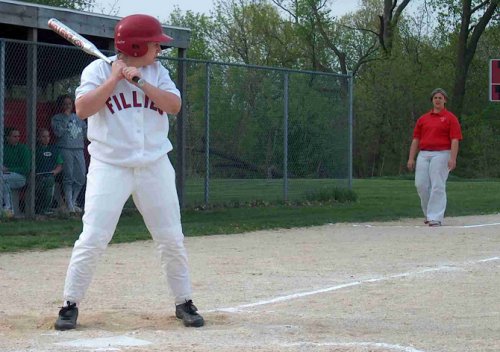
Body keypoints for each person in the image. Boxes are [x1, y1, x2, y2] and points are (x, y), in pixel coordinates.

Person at [54, 14, 204, 331]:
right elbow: (82, 109)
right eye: (154, 44)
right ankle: (70, 304)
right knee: (93, 237)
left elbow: (174, 106)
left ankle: (184, 301)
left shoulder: (156, 72)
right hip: (110, 166)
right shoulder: (97, 70)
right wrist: (113, 80)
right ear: (136, 45)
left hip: (154, 165)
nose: (159, 49)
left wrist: (141, 82)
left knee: (171, 238)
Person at [407, 88, 463, 227]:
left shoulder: (450, 118)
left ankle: (435, 217)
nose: (437, 100)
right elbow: (416, 139)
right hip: (424, 153)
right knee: (421, 184)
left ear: (445, 100)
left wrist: (453, 157)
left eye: (440, 97)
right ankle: (428, 213)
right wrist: (411, 158)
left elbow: (455, 139)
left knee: (437, 184)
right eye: (435, 98)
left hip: (442, 153)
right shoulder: (423, 119)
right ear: (432, 100)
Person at [51, 94, 87, 214]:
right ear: (61, 105)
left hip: (79, 148)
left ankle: (72, 200)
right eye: (65, 104)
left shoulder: (79, 117)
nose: (68, 106)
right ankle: (70, 205)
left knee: (81, 176)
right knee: (68, 176)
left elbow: (86, 132)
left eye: (70, 104)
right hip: (65, 148)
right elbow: (58, 133)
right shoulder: (57, 118)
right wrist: (66, 119)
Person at [2, 128, 31, 218]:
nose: (17, 138)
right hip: (5, 175)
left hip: (21, 177)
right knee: (3, 180)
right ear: (7, 137)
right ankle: (6, 209)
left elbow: (26, 169)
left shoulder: (23, 148)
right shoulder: (3, 148)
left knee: (3, 179)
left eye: (18, 136)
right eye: (14, 136)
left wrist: (9, 169)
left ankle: (9, 208)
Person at [35, 128, 63, 215]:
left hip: (50, 175)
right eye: (43, 137)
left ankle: (45, 208)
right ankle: (39, 208)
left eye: (48, 136)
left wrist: (55, 171)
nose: (46, 139)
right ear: (38, 138)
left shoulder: (53, 149)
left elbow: (60, 165)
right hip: (37, 176)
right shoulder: (35, 149)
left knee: (49, 181)